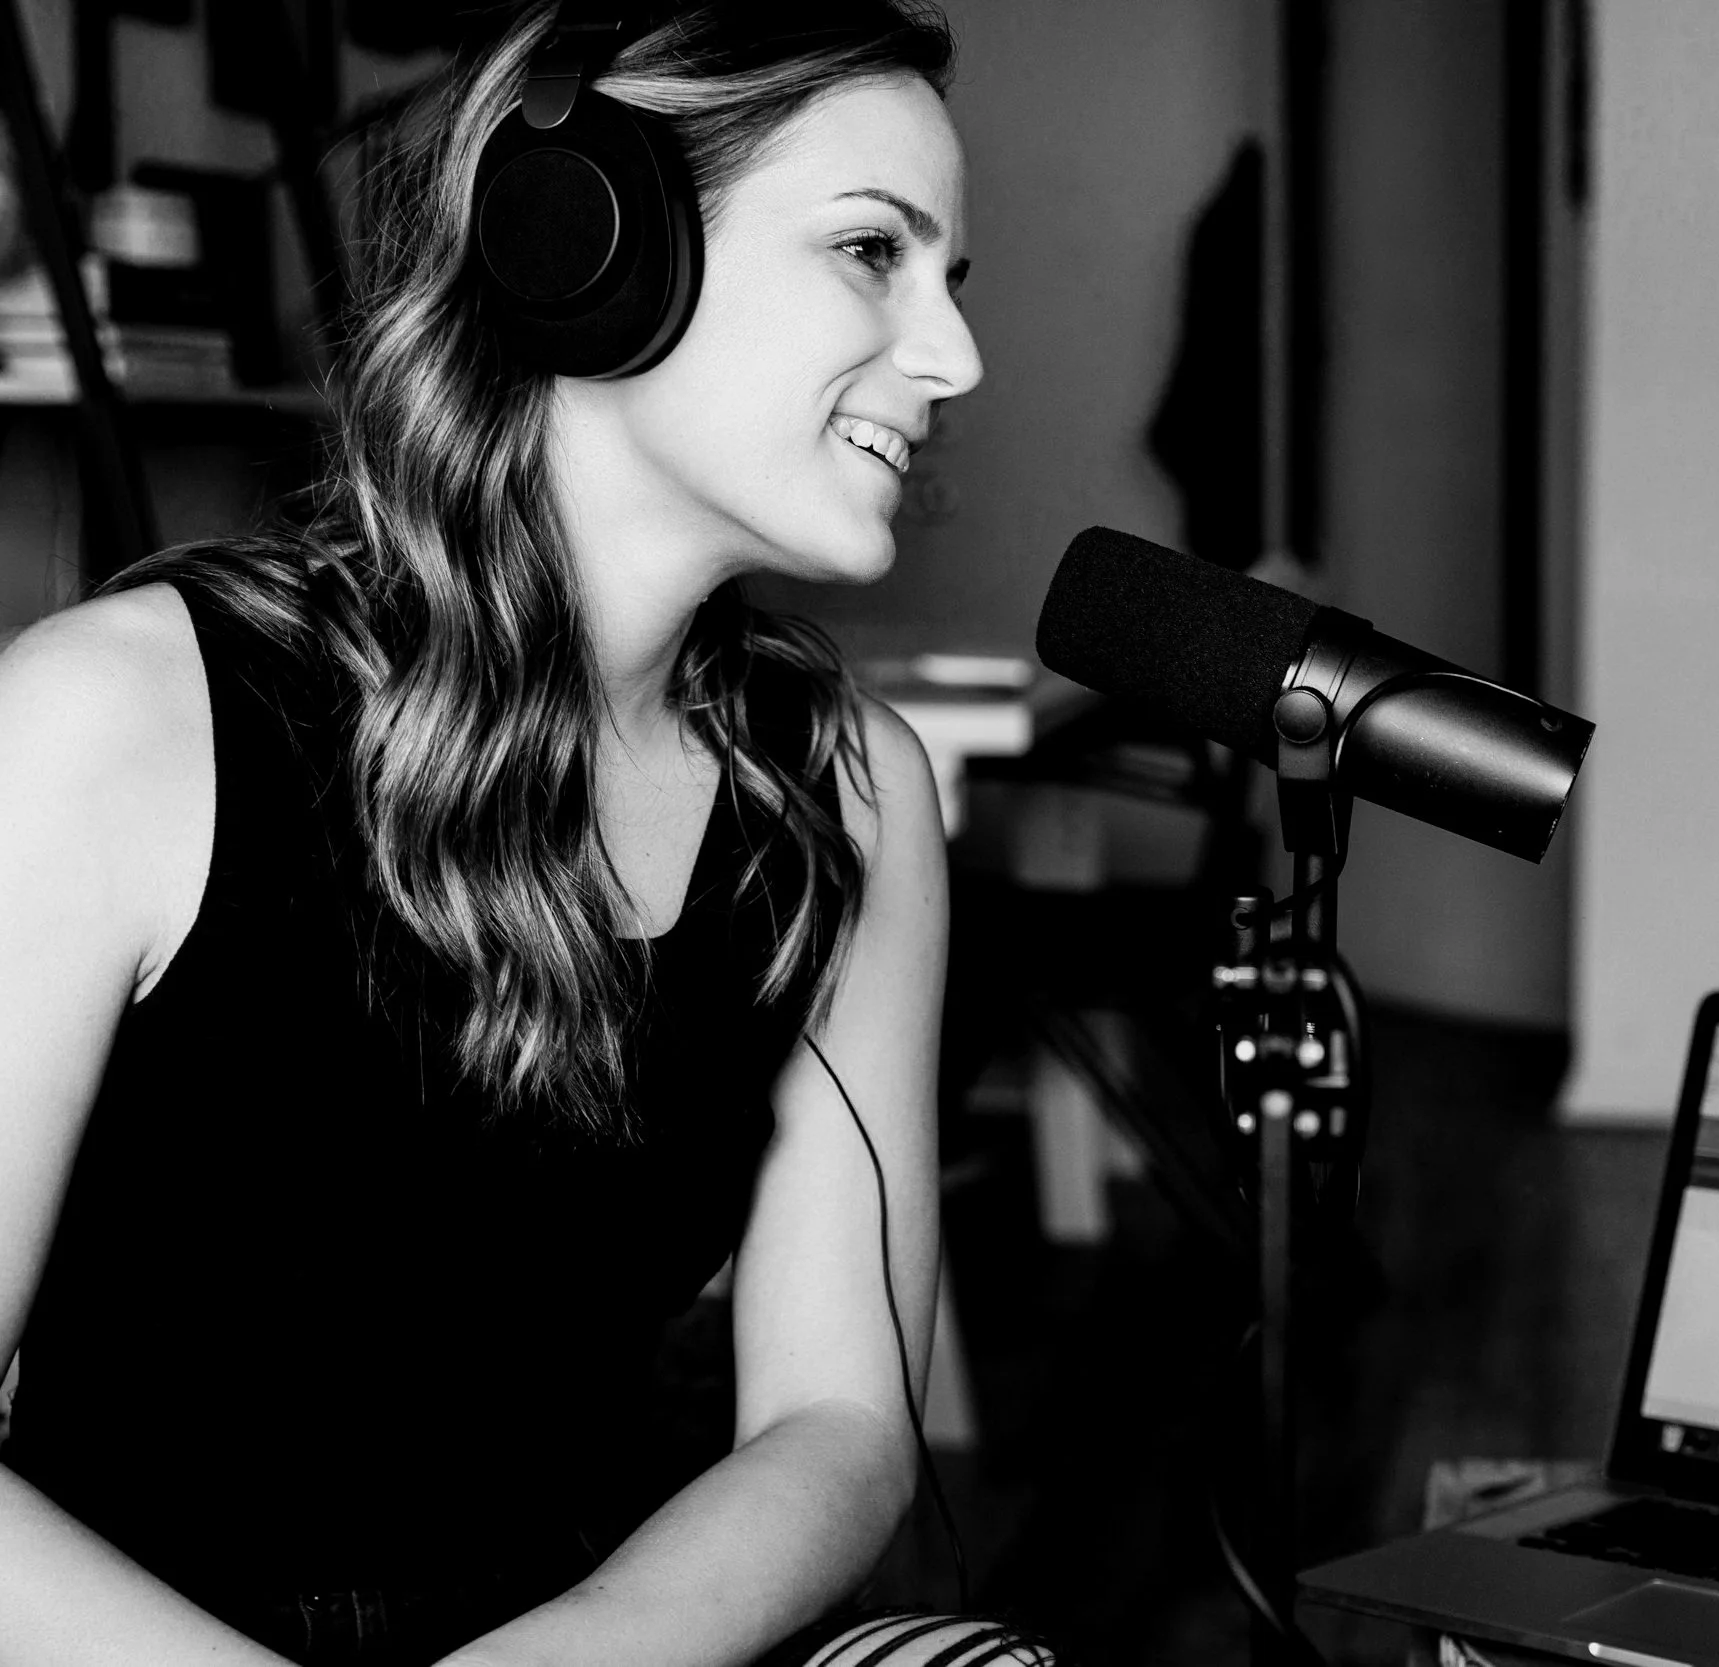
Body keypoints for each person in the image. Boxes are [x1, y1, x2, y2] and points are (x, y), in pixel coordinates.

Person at [0, 3, 1046, 1663]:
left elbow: (841, 1418)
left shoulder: (851, 789)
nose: (954, 359)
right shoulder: (116, 723)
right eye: (871, 252)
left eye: (952, 280)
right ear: (587, 242)